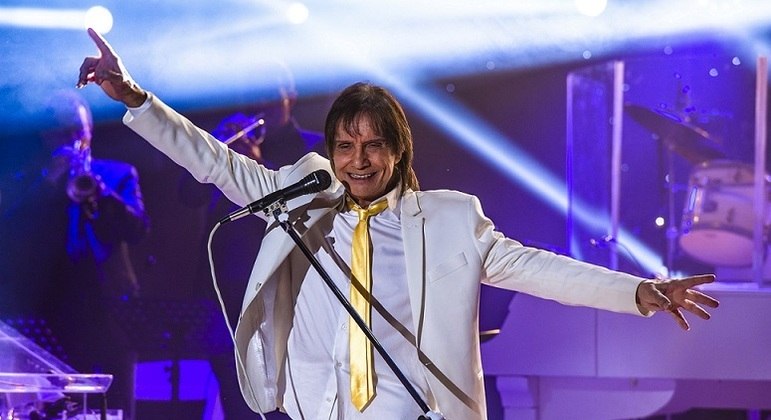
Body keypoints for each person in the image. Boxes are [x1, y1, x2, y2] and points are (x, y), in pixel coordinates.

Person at [77, 28, 719, 420]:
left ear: (399, 151)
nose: (357, 162)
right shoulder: (302, 196)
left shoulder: (449, 219)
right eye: (345, 146)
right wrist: (135, 97)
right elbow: (216, 162)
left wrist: (638, 291)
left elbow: (535, 268)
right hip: (315, 407)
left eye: (373, 146)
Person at [175, 61, 323, 419]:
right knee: (235, 394)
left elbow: (308, 212)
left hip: (288, 291)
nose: (261, 104)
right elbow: (187, 195)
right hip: (227, 293)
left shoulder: (313, 150)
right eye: (254, 94)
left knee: (286, 399)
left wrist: (257, 164)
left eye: (271, 94)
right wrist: (212, 149)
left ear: (290, 96)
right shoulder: (232, 142)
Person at [0, 89, 149, 419]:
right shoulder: (28, 182)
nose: (71, 139)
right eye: (61, 131)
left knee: (113, 401)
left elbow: (137, 229)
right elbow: (10, 233)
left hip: (108, 305)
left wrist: (100, 192)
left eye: (76, 130)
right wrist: (47, 184)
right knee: (49, 405)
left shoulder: (117, 174)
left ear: (89, 131)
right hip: (49, 305)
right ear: (47, 136)